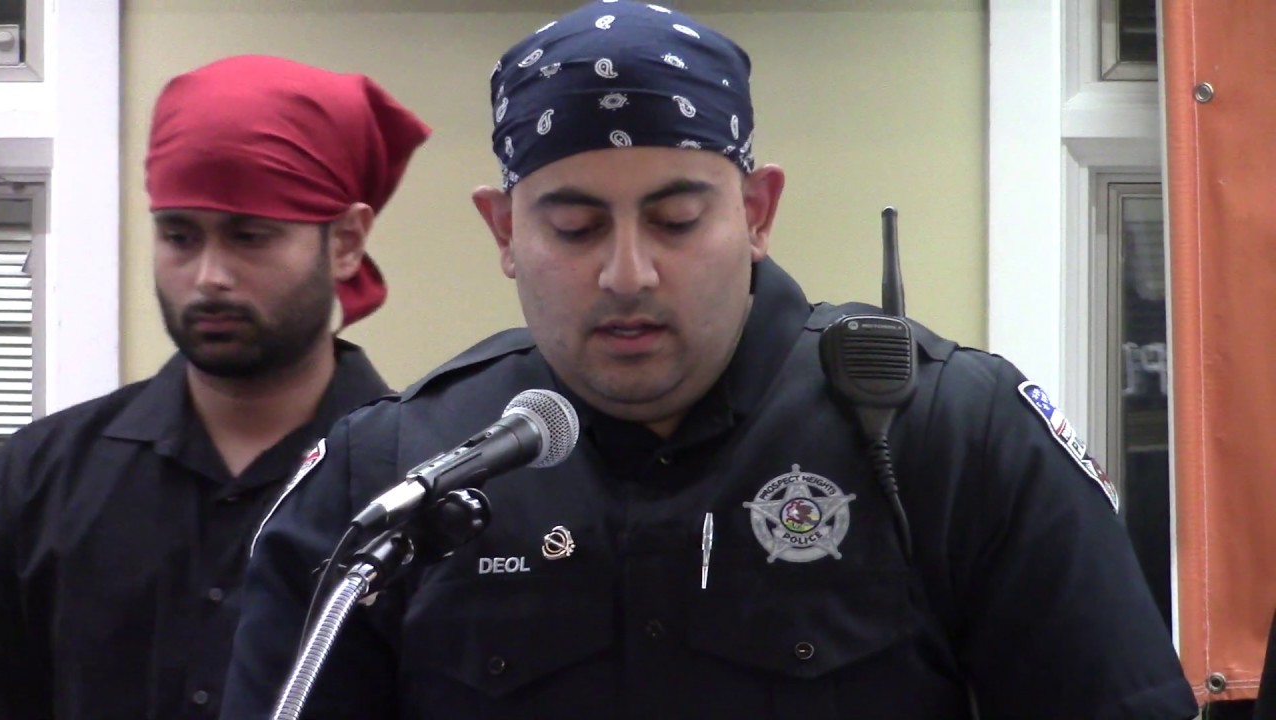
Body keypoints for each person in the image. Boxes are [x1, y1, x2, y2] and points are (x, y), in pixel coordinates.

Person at [221, 4, 1198, 718]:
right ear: (503, 230)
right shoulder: (396, 476)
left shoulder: (949, 435)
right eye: (571, 225)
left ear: (757, 213)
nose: (627, 272)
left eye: (677, 218)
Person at [0, 55, 429, 719]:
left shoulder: (423, 490)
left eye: (250, 236)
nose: (208, 276)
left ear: (345, 242)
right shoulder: (35, 481)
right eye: (179, 236)